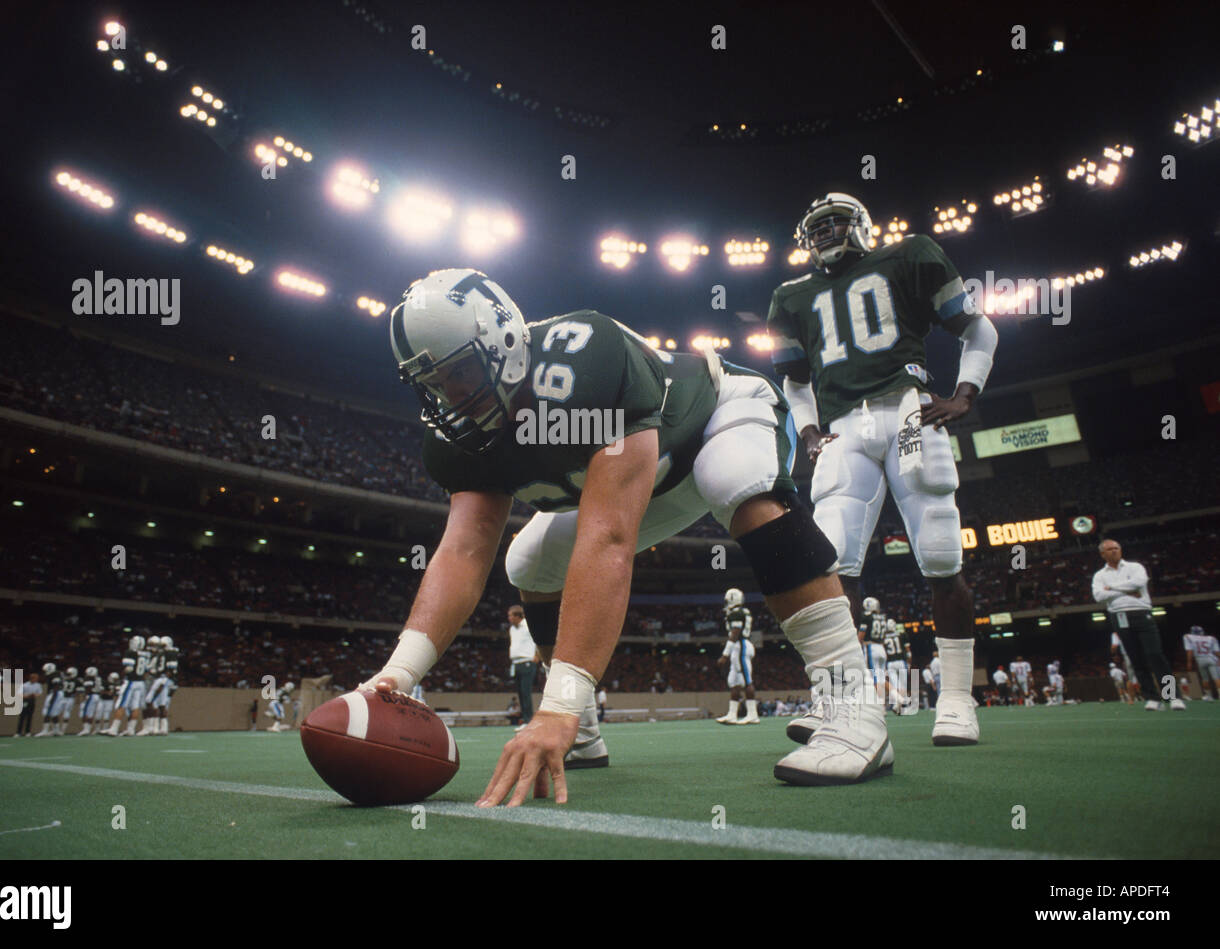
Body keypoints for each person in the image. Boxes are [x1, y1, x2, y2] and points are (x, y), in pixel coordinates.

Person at [358, 267, 889, 806]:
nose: (451, 394)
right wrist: (398, 674)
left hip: (717, 415)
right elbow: (464, 553)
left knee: (734, 477)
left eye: (461, 371)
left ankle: (853, 708)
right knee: (529, 563)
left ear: (504, 341)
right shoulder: (458, 438)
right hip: (648, 477)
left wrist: (556, 706)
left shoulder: (582, 364)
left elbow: (608, 538)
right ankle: (582, 733)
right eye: (433, 383)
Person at [769, 193, 996, 747]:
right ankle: (841, 700)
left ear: (863, 225)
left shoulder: (910, 255)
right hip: (844, 428)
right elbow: (795, 380)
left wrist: (965, 395)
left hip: (909, 413)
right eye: (815, 225)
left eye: (834, 222)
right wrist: (805, 430)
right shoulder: (791, 295)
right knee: (832, 566)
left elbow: (977, 329)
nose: (823, 232)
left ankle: (958, 701)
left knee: (941, 558)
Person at [1092, 539, 1182, 710]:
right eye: (1110, 549)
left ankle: (1172, 696)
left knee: (1155, 654)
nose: (1114, 551)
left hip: (1140, 612)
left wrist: (1110, 589)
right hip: (1118, 616)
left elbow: (1139, 583)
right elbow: (1098, 596)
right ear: (1102, 554)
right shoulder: (1099, 575)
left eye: (1116, 548)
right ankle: (1152, 698)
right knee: (1135, 659)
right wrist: (1126, 590)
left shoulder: (1135, 567)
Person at [716, 588, 759, 724]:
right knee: (734, 682)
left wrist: (724, 655)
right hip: (739, 646)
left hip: (741, 646)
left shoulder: (736, 613)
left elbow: (735, 632)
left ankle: (752, 714)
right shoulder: (743, 611)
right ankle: (732, 714)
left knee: (747, 681)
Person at [507, 605, 537, 727]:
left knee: (526, 692)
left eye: (510, 615)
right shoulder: (512, 629)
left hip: (527, 662)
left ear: (518, 616)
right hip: (516, 663)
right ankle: (525, 718)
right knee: (520, 692)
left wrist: (537, 655)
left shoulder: (528, 626)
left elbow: (537, 639)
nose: (509, 618)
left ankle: (529, 720)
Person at [1183, 625, 1219, 701]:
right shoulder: (1211, 638)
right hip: (1211, 658)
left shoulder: (1188, 637)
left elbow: (1190, 651)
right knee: (1216, 678)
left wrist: (1189, 662)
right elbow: (1216, 652)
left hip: (1199, 660)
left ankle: (1209, 696)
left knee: (1205, 679)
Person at [16, 673, 42, 737]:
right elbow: (19, 693)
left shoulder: (38, 685)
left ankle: (28, 732)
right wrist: (26, 696)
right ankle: (18, 732)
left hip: (32, 701)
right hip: (25, 701)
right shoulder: (25, 685)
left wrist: (35, 695)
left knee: (30, 717)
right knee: (22, 717)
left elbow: (39, 693)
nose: (36, 680)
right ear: (31, 678)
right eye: (35, 678)